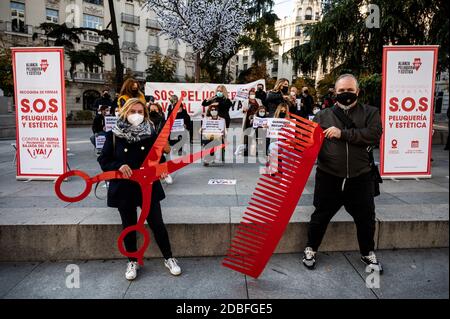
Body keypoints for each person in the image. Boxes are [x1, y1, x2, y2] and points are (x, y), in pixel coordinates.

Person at [302, 74, 383, 274]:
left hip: (360, 175)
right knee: (320, 214)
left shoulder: (370, 112)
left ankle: (367, 252)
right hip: (329, 175)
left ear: (357, 92)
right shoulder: (323, 115)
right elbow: (311, 144)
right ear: (334, 92)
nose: (345, 94)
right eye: (341, 91)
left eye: (349, 90)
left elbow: (373, 134)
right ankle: (311, 248)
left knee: (366, 217)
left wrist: (342, 133)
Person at [98, 98, 181, 281]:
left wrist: (161, 170)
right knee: (129, 225)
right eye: (133, 111)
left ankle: (169, 258)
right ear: (125, 112)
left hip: (148, 186)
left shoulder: (150, 133)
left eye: (140, 112)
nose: (137, 115)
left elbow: (158, 158)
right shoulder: (113, 135)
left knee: (157, 223)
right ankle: (132, 261)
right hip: (124, 188)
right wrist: (119, 165)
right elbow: (104, 160)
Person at [149, 102, 174, 185]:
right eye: (151, 110)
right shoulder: (146, 121)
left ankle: (165, 173)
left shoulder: (163, 121)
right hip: (149, 143)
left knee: (165, 157)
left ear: (159, 111)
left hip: (161, 142)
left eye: (155, 110)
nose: (153, 111)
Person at [242, 88, 263, 156]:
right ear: (248, 95)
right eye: (251, 94)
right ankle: (246, 149)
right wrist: (244, 110)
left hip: (257, 119)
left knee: (257, 134)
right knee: (248, 134)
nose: (252, 95)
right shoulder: (245, 101)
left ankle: (256, 149)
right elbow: (242, 110)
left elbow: (262, 108)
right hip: (249, 119)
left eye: (253, 94)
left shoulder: (258, 100)